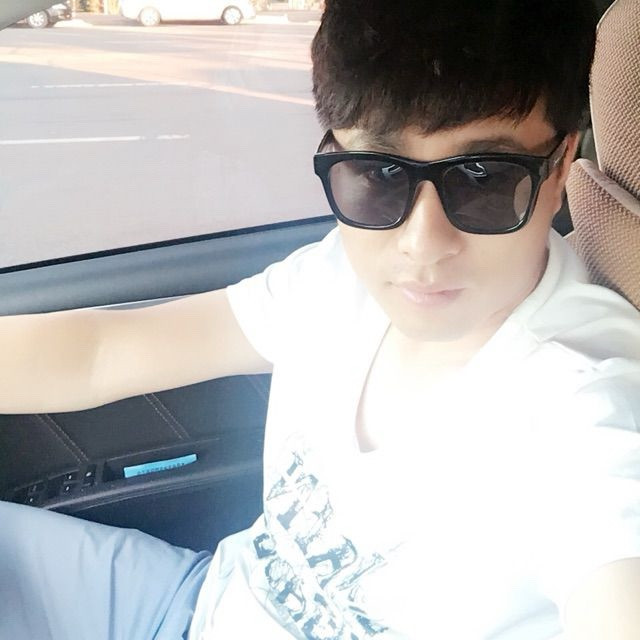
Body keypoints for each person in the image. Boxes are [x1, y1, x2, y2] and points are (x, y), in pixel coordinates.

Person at [2, 0, 640, 638]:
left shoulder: (585, 399)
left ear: (560, 165)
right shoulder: (338, 275)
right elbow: (102, 352)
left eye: (483, 178)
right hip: (194, 600)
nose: (421, 244)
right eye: (378, 173)